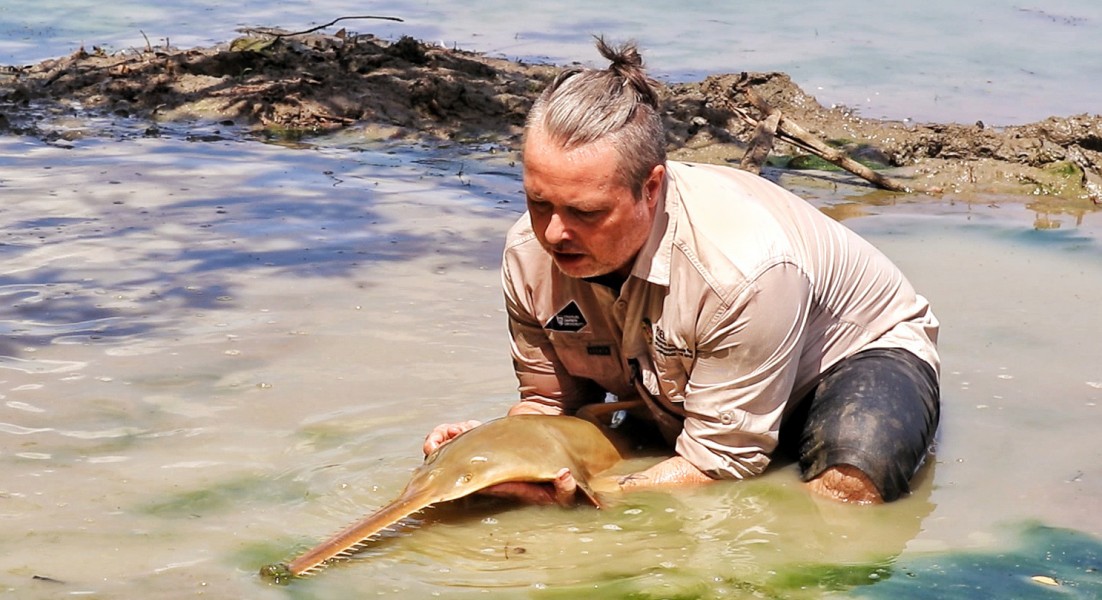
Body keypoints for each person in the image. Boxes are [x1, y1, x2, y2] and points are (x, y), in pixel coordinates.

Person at [424, 38, 940, 504]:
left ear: (650, 189)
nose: (554, 233)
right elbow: (551, 407)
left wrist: (593, 492)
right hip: (681, 388)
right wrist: (493, 456)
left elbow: (718, 466)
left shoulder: (744, 268)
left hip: (850, 359)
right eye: (539, 203)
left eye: (585, 212)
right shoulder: (527, 251)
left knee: (849, 491)